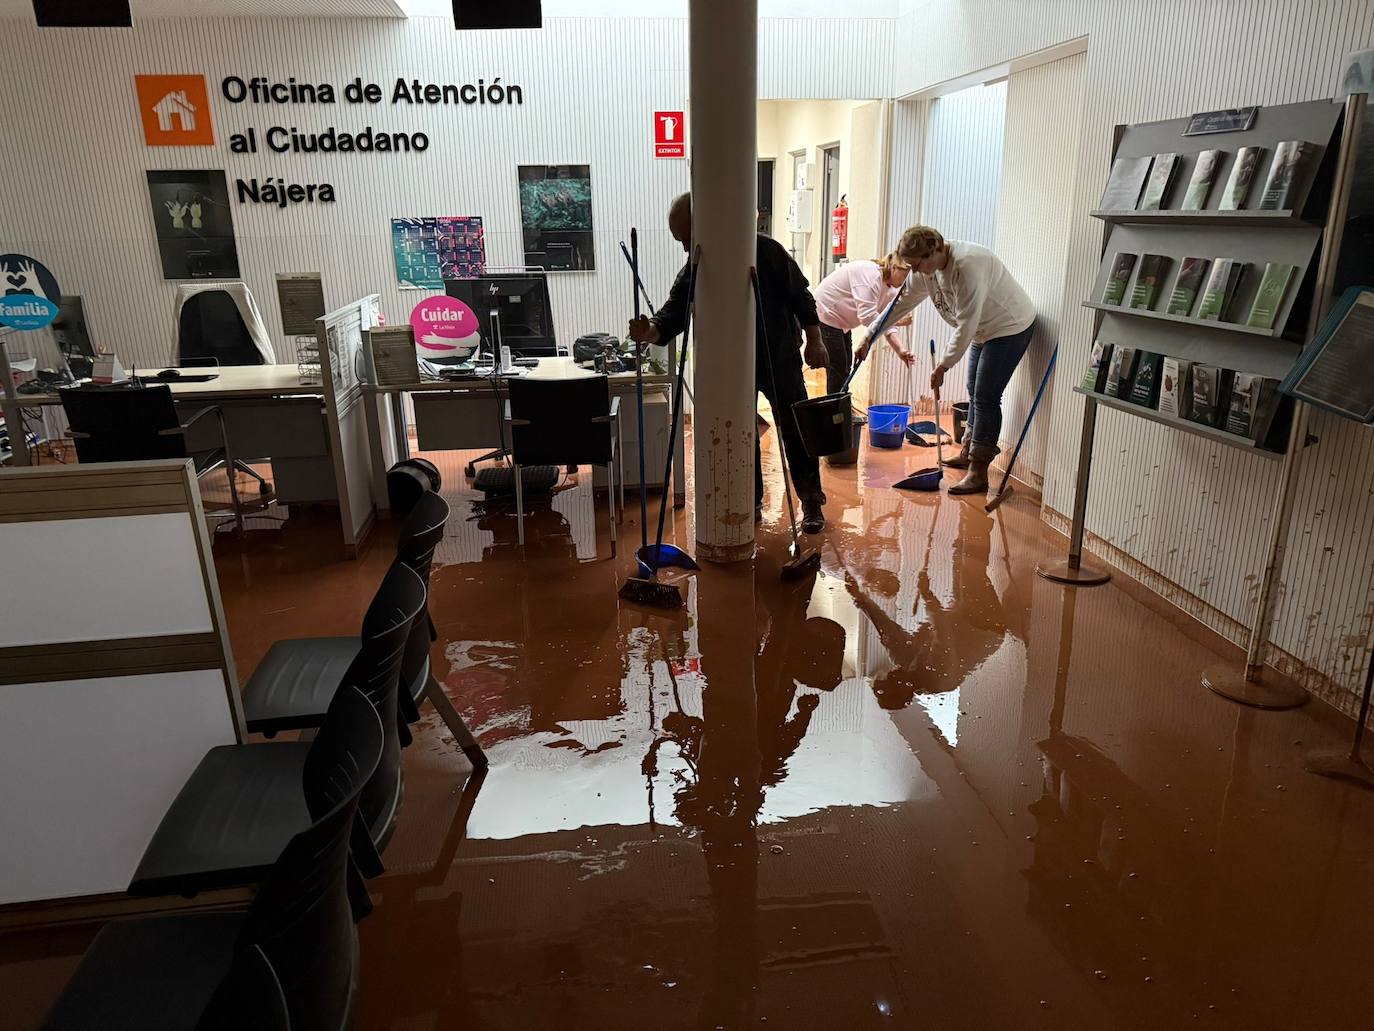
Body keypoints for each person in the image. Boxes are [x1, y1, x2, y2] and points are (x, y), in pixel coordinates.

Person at [629, 193, 831, 532]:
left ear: (706, 227)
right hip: (735, 365)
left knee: (796, 430)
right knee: (743, 432)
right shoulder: (696, 268)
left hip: (779, 355)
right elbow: (669, 318)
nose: (684, 248)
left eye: (686, 239)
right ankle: (749, 503)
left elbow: (801, 297)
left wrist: (815, 339)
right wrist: (647, 330)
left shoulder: (767, 252)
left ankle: (811, 500)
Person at [872, 225, 1036, 495]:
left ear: (934, 251)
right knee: (974, 391)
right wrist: (870, 337)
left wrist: (943, 365)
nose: (913, 271)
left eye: (917, 264)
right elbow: (899, 305)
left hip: (1010, 326)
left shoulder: (968, 265)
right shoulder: (929, 271)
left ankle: (978, 472)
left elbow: (965, 325)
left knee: (985, 396)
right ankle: (968, 451)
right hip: (982, 329)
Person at [813, 252, 915, 396]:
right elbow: (867, 317)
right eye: (905, 276)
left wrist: (901, 351)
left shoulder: (892, 289)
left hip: (842, 322)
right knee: (839, 367)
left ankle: (842, 409)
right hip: (825, 312)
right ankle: (836, 413)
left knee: (845, 367)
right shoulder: (871, 276)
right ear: (893, 268)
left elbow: (886, 325)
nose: (905, 281)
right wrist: (898, 320)